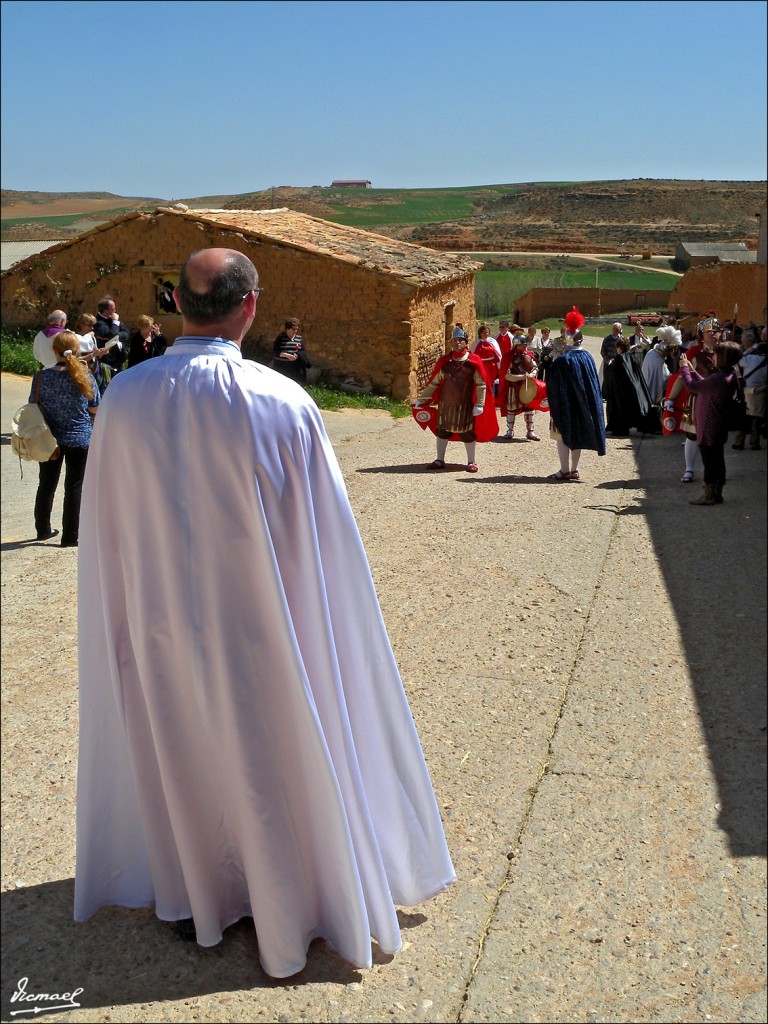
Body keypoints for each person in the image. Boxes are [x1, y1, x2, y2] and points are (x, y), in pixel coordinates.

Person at [74, 248, 455, 979]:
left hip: (157, 623)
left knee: (183, 746)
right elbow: (324, 541)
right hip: (263, 628)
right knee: (268, 752)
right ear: (250, 308)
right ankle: (287, 894)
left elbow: (108, 528)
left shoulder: (125, 397)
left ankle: (196, 895)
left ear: (179, 305)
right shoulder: (281, 401)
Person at [31, 330, 100, 546]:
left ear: (54, 350)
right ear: (77, 350)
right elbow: (95, 407)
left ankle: (43, 529)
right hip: (79, 438)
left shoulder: (41, 376)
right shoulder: (85, 376)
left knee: (46, 485)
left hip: (49, 439)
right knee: (74, 487)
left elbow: (33, 404)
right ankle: (70, 536)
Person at [411, 325, 498, 471]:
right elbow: (434, 383)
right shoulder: (445, 362)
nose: (458, 343)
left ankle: (471, 462)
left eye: (460, 340)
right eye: (455, 341)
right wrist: (422, 399)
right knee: (443, 432)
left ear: (466, 342)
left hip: (465, 405)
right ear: (451, 343)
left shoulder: (473, 362)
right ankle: (440, 460)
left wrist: (480, 404)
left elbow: (481, 384)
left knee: (467, 433)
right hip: (447, 405)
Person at [678, 340, 742, 505]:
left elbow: (693, 386)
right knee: (718, 460)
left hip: (709, 426)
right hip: (718, 426)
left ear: (722, 357)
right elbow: (704, 385)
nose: (713, 357)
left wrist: (684, 368)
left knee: (710, 462)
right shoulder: (728, 376)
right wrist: (693, 371)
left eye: (716, 354)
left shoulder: (719, 378)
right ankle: (717, 492)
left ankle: (709, 495)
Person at [546, 307, 606, 480]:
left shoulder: (563, 361)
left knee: (561, 435)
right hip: (582, 405)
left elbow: (553, 384)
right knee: (577, 433)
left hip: (564, 406)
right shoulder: (587, 357)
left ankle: (564, 469)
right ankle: (574, 469)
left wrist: (547, 399)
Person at [664, 316, 719, 483]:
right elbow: (682, 377)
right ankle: (689, 469)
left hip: (717, 402)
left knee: (716, 437)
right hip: (698, 399)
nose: (713, 334)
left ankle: (714, 470)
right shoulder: (694, 353)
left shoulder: (724, 351)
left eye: (716, 331)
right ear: (702, 333)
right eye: (709, 331)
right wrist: (671, 399)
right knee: (692, 435)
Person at [602, 337, 661, 436]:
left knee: (621, 410)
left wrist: (609, 366)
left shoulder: (619, 359)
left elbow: (612, 373)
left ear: (619, 348)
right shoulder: (631, 357)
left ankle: (621, 428)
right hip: (632, 390)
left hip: (621, 392)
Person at [498, 329, 540, 440]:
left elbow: (535, 367)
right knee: (511, 409)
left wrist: (532, 374)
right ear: (517, 344)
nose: (525, 346)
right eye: (523, 344)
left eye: (525, 344)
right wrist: (521, 377)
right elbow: (506, 375)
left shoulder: (528, 355)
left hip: (528, 386)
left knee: (530, 409)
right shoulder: (509, 357)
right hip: (514, 386)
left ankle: (530, 431)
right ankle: (510, 431)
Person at [733, 330, 767, 450]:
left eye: (743, 341)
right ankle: (754, 443)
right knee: (756, 420)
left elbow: (736, 361)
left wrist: (745, 353)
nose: (742, 343)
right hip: (761, 390)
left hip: (747, 390)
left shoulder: (749, 358)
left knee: (743, 418)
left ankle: (739, 442)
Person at [92, 296, 130, 388]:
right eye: (112, 309)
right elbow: (112, 334)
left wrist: (115, 335)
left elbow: (126, 333)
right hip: (107, 359)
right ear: (105, 311)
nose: (115, 311)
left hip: (119, 358)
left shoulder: (114, 319)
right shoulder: (99, 322)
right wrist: (115, 323)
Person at [642, 325, 680, 406]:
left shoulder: (651, 353)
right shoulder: (659, 361)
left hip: (644, 392)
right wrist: (675, 378)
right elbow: (663, 381)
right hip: (653, 398)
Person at [272, 316, 311, 384]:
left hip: (294, 368)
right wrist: (286, 355)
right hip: (281, 367)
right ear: (287, 328)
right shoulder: (281, 337)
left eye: (296, 329)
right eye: (293, 329)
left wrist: (297, 355)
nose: (295, 331)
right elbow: (275, 351)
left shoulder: (299, 338)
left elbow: (302, 351)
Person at [471, 323, 501, 398]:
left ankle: (490, 397)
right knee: (481, 382)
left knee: (490, 383)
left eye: (487, 332)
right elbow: (472, 355)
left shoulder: (492, 341)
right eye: (484, 332)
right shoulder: (476, 343)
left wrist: (499, 366)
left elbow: (498, 354)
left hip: (491, 366)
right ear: (480, 333)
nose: (486, 334)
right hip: (481, 366)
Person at [599, 322, 623, 386]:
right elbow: (603, 351)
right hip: (608, 363)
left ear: (620, 330)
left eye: (617, 329)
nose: (615, 330)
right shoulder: (607, 339)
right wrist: (608, 360)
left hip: (619, 363)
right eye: (614, 329)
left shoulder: (622, 339)